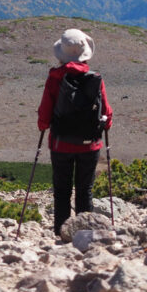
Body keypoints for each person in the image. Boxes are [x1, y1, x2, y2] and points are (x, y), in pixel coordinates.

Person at [37, 27, 113, 236]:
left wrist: (44, 125)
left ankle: (61, 234)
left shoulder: (55, 78)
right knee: (84, 190)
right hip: (90, 144)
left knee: (61, 192)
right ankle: (83, 234)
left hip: (61, 144)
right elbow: (107, 113)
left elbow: (44, 114)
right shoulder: (95, 78)